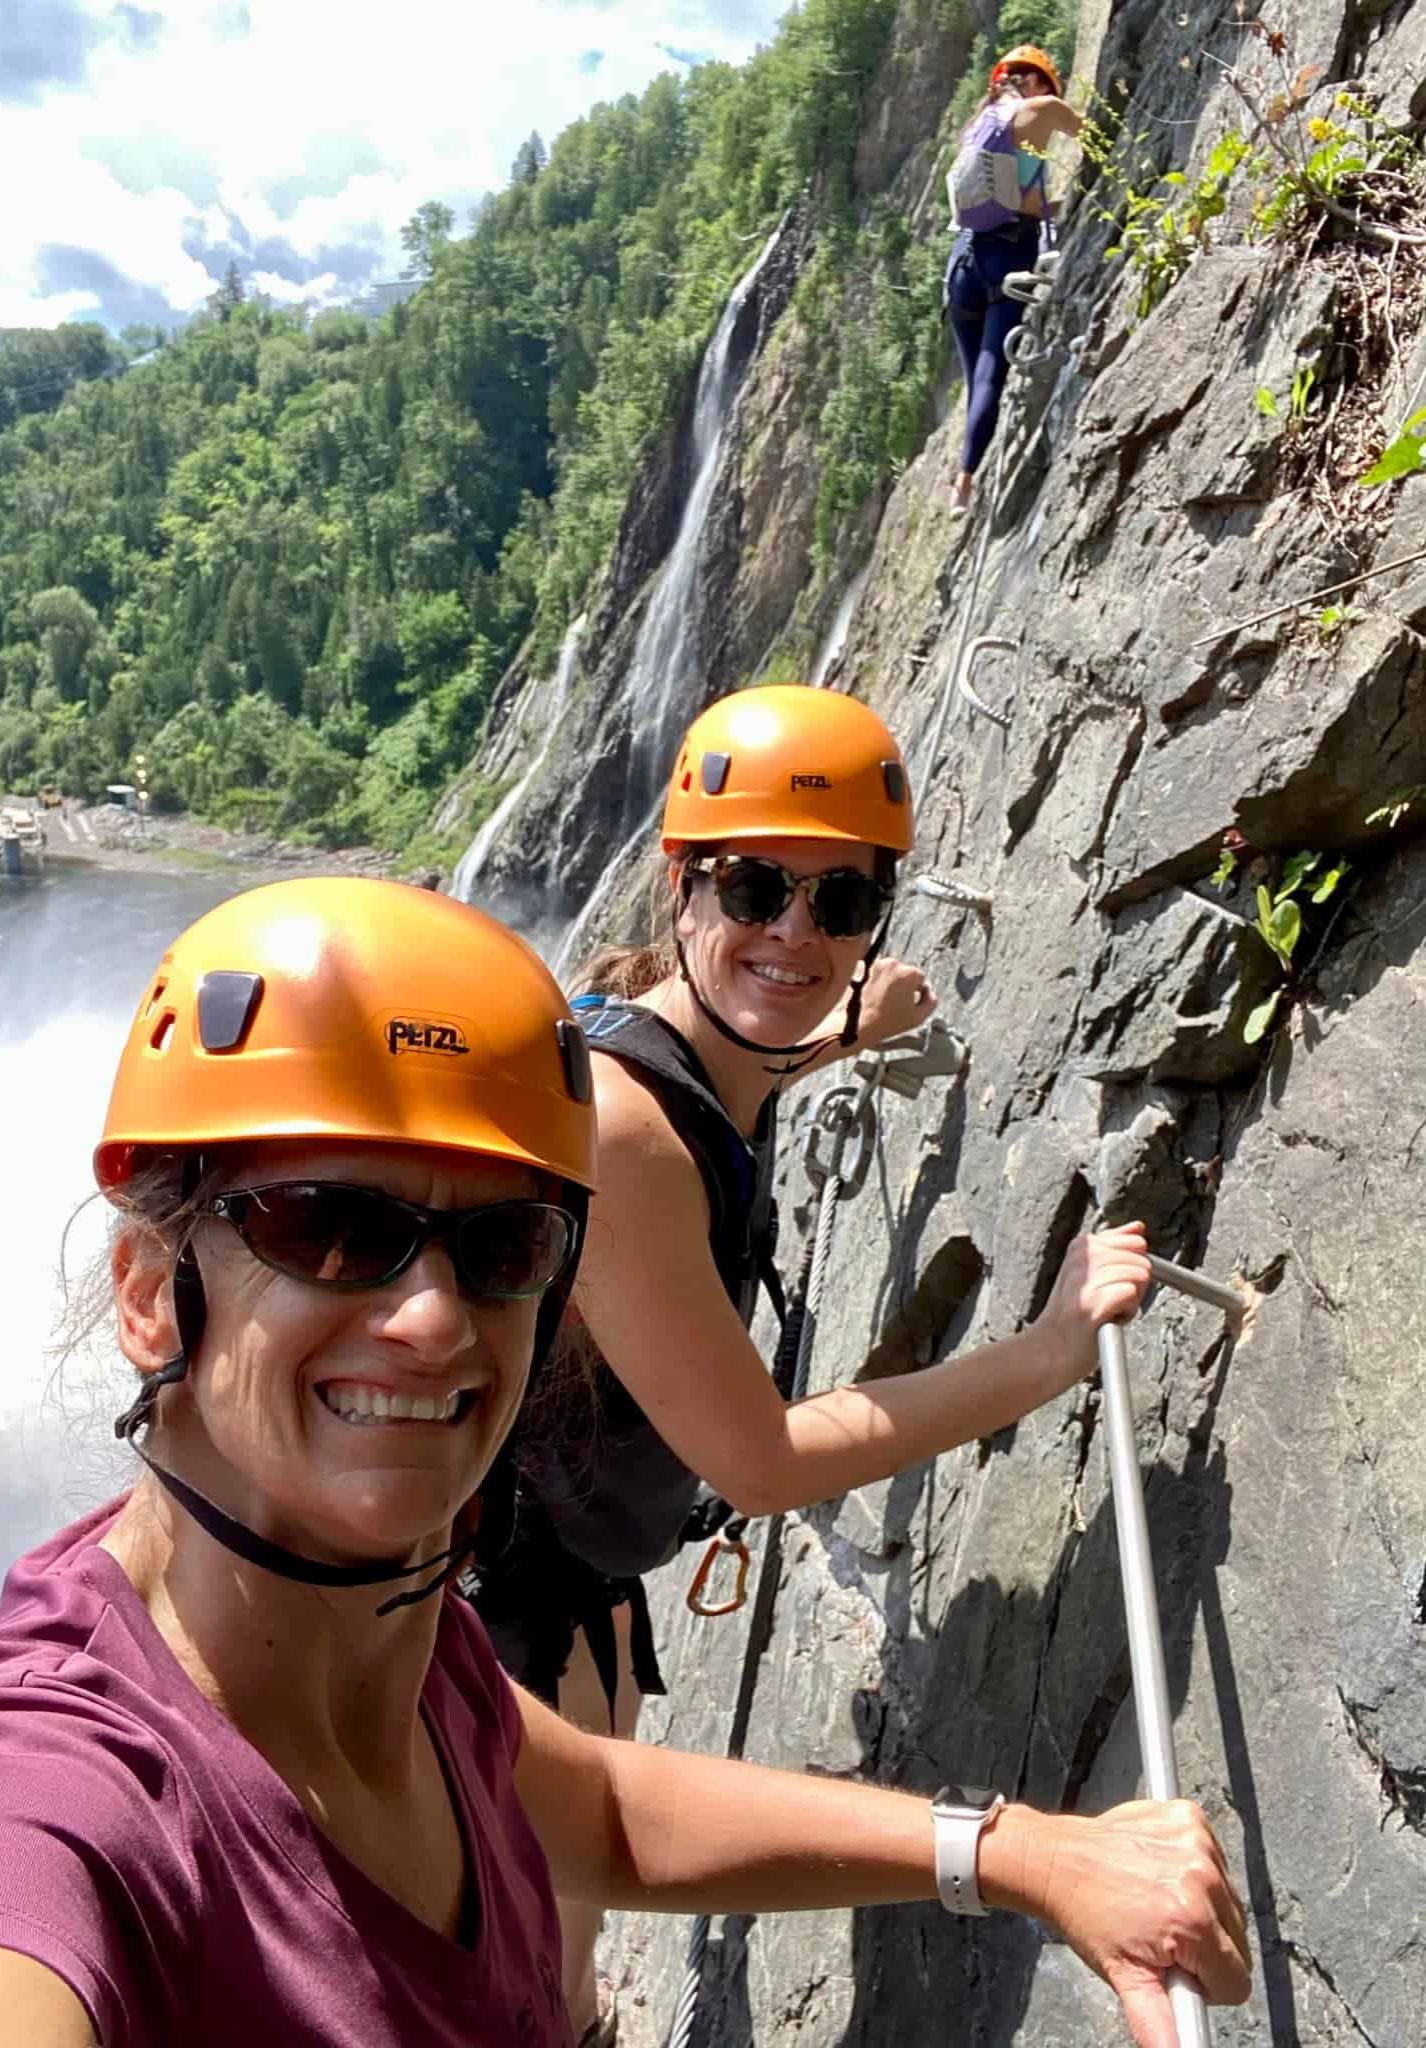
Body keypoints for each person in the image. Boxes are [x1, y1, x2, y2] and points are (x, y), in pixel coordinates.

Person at [0, 876, 1250, 2048]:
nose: (430, 1319)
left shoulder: (401, 1644)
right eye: (329, 1227)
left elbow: (596, 1810)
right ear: (146, 1288)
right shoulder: (40, 1793)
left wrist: (1026, 1852)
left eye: (504, 1249)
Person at [465, 686, 1218, 2043]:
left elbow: (730, 1050)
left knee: (557, 1963)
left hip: (566, 1580)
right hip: (506, 1621)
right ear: (683, 886)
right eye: (755, 888)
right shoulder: (626, 1137)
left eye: (842, 902)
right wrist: (1048, 1355)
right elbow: (758, 1465)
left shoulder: (661, 1038)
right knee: (537, 1987)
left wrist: (839, 1033)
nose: (794, 933)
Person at [945, 43, 1084, 514]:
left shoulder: (979, 123)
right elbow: (1095, 135)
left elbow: (1012, 195)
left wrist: (1054, 207)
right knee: (991, 371)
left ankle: (962, 479)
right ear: (1042, 82)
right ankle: (966, 479)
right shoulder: (1042, 109)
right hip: (1009, 258)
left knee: (975, 378)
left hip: (962, 261)